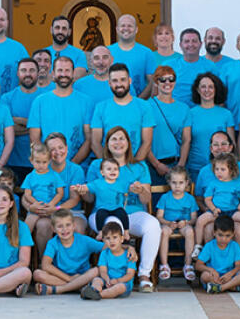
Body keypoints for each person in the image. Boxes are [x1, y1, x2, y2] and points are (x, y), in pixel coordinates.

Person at [80, 127, 159, 291]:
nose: (118, 142)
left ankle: (144, 274)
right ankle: (112, 272)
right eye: (113, 139)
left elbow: (146, 199)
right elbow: (89, 199)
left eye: (122, 138)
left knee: (153, 225)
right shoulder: (97, 165)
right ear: (107, 144)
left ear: (129, 143)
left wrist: (141, 190)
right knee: (113, 222)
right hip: (102, 216)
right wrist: (83, 192)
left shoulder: (139, 166)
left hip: (132, 214)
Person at [27, 55, 93, 164]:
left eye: (67, 70)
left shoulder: (86, 102)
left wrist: (71, 166)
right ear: (53, 74)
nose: (63, 74)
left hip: (78, 168)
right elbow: (34, 139)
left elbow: (89, 139)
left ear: (73, 73)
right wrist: (46, 163)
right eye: (60, 70)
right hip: (48, 168)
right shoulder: (39, 101)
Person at [91, 63, 154, 160]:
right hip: (109, 169)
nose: (119, 84)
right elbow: (95, 142)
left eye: (123, 80)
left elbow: (147, 143)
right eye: (115, 81)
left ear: (129, 81)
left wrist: (133, 168)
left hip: (135, 168)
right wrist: (109, 166)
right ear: (109, 83)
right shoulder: (100, 107)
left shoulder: (144, 106)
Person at [34, 207, 102, 294]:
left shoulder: (84, 240)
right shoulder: (53, 243)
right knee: (37, 274)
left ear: (74, 226)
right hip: (61, 276)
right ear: (53, 229)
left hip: (82, 276)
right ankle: (78, 286)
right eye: (60, 226)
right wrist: (69, 279)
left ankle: (57, 289)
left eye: (68, 225)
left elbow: (105, 247)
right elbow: (45, 265)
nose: (64, 229)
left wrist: (124, 247)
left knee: (96, 271)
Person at [183, 72, 235, 175]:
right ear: (198, 90)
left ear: (216, 89)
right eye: (203, 87)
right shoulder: (190, 113)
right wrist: (182, 164)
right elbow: (186, 141)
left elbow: (232, 143)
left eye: (211, 87)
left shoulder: (226, 114)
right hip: (196, 168)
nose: (207, 90)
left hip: (222, 168)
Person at [144, 64, 186, 182]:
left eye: (171, 79)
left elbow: (186, 140)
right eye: (162, 79)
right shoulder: (147, 106)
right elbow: (144, 140)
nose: (167, 82)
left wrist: (181, 164)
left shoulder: (184, 108)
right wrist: (156, 164)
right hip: (154, 165)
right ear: (156, 82)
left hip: (177, 164)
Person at [155, 168, 198, 281]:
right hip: (168, 225)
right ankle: (164, 265)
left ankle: (188, 265)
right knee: (163, 232)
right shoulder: (165, 198)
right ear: (169, 182)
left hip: (184, 225)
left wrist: (186, 222)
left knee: (190, 231)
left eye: (181, 183)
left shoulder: (190, 199)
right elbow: (159, 216)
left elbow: (194, 218)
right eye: (174, 183)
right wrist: (168, 223)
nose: (177, 186)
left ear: (186, 183)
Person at [1, 57, 41, 178]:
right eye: (24, 70)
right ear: (18, 73)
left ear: (38, 73)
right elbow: (6, 130)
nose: (27, 74)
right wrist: (35, 126)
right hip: (12, 161)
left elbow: (48, 127)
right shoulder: (6, 98)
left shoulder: (46, 97)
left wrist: (16, 120)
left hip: (40, 162)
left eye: (32, 70)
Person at [194, 213, 240, 294]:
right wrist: (212, 270)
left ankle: (220, 288)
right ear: (214, 233)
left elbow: (239, 266)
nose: (223, 239)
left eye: (227, 236)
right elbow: (198, 265)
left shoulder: (235, 246)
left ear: (233, 234)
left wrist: (230, 274)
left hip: (230, 277)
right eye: (220, 235)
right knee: (204, 276)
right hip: (214, 277)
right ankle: (234, 287)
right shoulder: (209, 246)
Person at [20, 142, 65, 239]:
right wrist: (36, 204)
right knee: (26, 229)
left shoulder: (55, 176)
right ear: (31, 161)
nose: (41, 165)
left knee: (56, 225)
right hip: (35, 208)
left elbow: (60, 193)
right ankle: (23, 247)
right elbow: (27, 194)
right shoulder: (30, 177)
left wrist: (52, 204)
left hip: (51, 209)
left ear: (49, 161)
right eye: (37, 162)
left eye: (44, 162)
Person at [82, 220, 136, 300]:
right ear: (103, 240)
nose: (111, 241)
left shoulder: (129, 255)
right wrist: (107, 280)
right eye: (108, 238)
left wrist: (117, 280)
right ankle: (94, 290)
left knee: (119, 287)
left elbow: (130, 274)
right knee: (97, 279)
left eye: (115, 237)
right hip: (107, 282)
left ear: (121, 239)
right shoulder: (104, 253)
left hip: (122, 283)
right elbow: (103, 271)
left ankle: (99, 295)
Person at [110, 14, 157, 94]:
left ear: (136, 29)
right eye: (123, 25)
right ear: (117, 29)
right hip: (112, 103)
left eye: (130, 26)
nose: (126, 28)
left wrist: (140, 101)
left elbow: (152, 82)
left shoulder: (146, 53)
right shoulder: (107, 52)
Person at [202, 26, 240, 105]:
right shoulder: (197, 63)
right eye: (210, 38)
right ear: (204, 40)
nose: (214, 41)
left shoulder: (233, 65)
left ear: (223, 41)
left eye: (218, 38)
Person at [172, 28, 211, 108]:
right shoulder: (169, 66)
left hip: (201, 113)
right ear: (180, 45)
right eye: (186, 41)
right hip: (175, 113)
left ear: (200, 44)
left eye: (194, 41)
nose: (190, 44)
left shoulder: (210, 67)